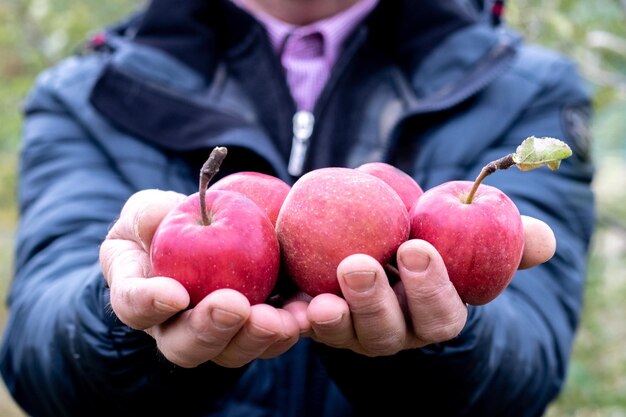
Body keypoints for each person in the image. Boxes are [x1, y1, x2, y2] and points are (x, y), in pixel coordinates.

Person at [0, 0, 595, 416]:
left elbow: (524, 376)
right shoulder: (89, 92)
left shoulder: (525, 87)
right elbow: (37, 360)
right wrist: (127, 327)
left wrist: (431, 338)